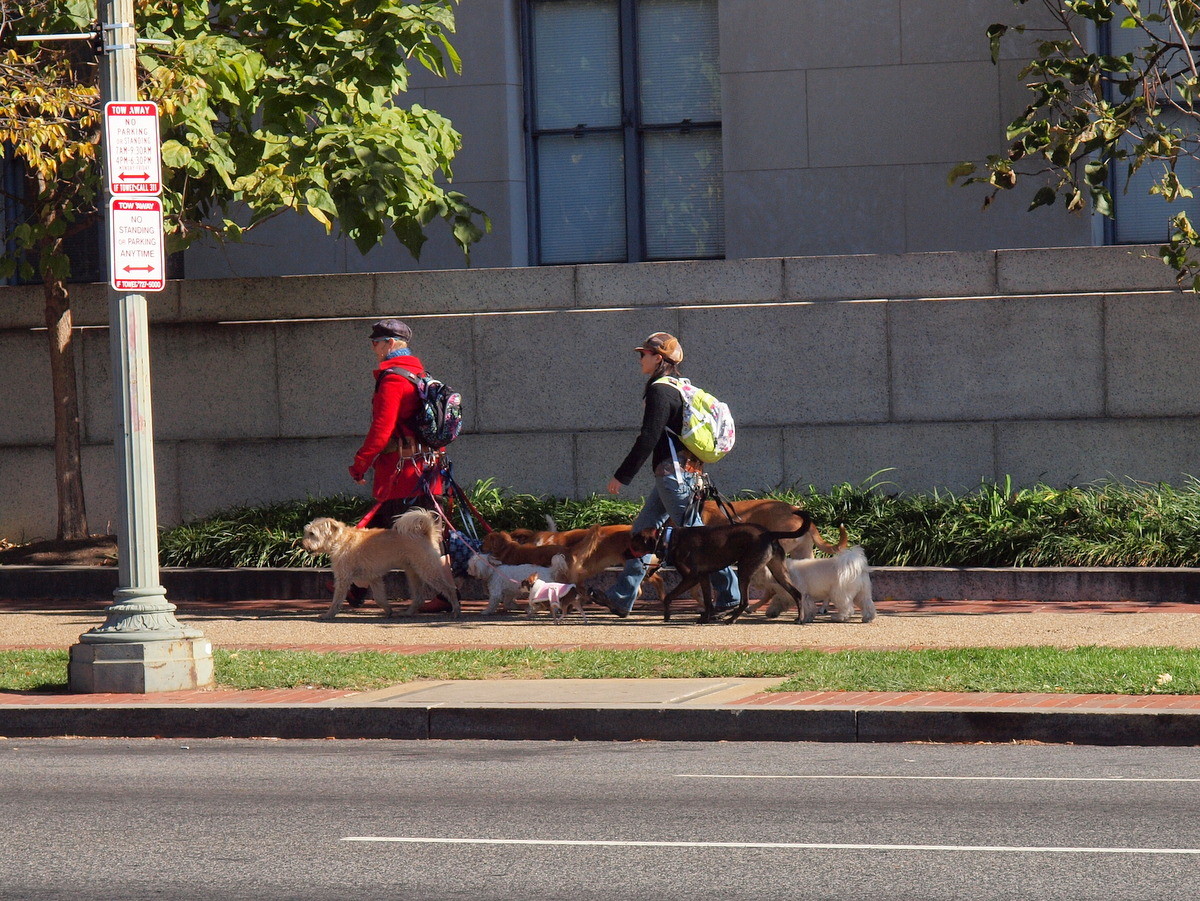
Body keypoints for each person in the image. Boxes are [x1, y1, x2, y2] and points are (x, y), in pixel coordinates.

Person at [599, 332, 739, 617]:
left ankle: (730, 595)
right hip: (676, 475)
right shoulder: (679, 387)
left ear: (658, 358)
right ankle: (621, 597)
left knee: (699, 538)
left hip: (673, 476)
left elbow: (648, 436)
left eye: (644, 354)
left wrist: (622, 476)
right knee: (642, 533)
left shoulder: (660, 390)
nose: (640, 359)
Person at [346, 318, 450, 610]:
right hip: (427, 470)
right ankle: (356, 588)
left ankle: (445, 594)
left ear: (391, 343)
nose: (373, 347)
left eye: (376, 342)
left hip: (402, 475)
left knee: (415, 540)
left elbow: (380, 431)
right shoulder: (420, 375)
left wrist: (359, 464)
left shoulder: (393, 379)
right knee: (388, 533)